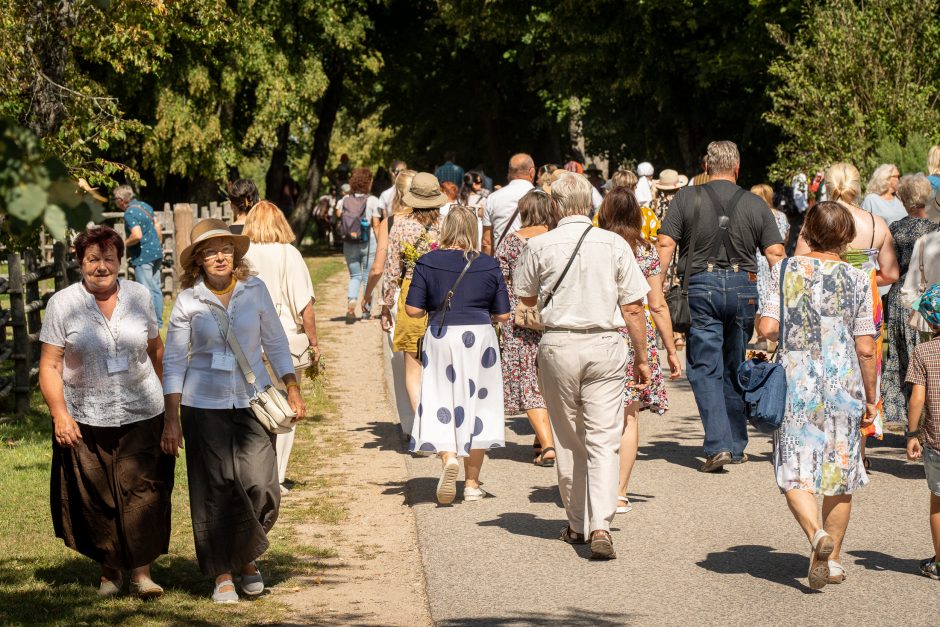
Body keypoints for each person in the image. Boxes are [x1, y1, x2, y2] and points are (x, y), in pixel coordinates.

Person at [162, 218, 305, 603]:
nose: (219, 256)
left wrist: (292, 386)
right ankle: (224, 573)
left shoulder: (255, 290)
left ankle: (244, 555)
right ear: (199, 262)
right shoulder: (189, 300)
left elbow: (275, 343)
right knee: (214, 491)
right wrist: (171, 417)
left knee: (262, 485)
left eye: (224, 248)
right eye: (210, 251)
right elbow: (174, 359)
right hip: (201, 404)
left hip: (252, 400)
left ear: (235, 254)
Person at [514, 172, 651, 560]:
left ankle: (576, 522)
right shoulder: (614, 244)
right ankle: (601, 523)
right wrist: (642, 358)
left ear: (555, 206)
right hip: (606, 343)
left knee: (568, 437)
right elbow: (634, 308)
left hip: (558, 342)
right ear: (590, 205)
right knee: (604, 438)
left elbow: (524, 297)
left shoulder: (540, 245)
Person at [39, 226, 172, 599]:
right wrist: (60, 414)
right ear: (80, 263)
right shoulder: (62, 304)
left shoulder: (139, 296)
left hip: (143, 409)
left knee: (144, 492)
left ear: (120, 261)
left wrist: (172, 410)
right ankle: (110, 572)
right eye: (93, 259)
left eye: (109, 259)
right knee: (98, 498)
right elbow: (49, 366)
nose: (101, 267)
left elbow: (156, 350)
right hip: (86, 415)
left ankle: (142, 574)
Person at [759, 201, 878, 590]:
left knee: (795, 470)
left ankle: (815, 537)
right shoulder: (859, 278)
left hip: (798, 383)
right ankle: (837, 560)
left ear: (807, 230)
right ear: (846, 237)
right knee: (840, 474)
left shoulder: (785, 270)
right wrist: (872, 397)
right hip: (844, 385)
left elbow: (769, 327)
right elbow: (865, 347)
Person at [656, 140, 786, 472]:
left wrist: (655, 283)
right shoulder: (755, 204)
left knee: (703, 367)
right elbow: (775, 255)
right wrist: (782, 302)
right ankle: (736, 444)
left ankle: (718, 444)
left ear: (706, 166)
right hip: (745, 288)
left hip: (701, 286)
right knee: (734, 365)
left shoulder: (686, 197)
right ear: (737, 168)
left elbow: (666, 243)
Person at [405, 206, 510, 503]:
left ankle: (448, 456)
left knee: (440, 398)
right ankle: (472, 483)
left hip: (442, 336)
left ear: (445, 228)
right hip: (479, 339)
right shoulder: (489, 264)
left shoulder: (427, 262)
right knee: (480, 404)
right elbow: (503, 314)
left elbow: (413, 310)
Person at [795, 163, 899, 457]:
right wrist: (865, 278)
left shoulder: (815, 223)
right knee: (866, 368)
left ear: (827, 185)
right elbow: (890, 273)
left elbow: (800, 264)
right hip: (866, 301)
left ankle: (819, 438)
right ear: (858, 184)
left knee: (824, 366)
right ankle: (859, 449)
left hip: (822, 302)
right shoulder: (876, 223)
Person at [597, 188, 682, 514]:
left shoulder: (594, 247)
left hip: (600, 329)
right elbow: (656, 305)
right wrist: (671, 347)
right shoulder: (644, 252)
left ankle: (596, 485)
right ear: (635, 215)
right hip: (635, 336)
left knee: (596, 415)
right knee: (628, 417)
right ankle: (619, 492)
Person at [242, 201, 321, 494]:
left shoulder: (242, 254)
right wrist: (314, 343)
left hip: (249, 340)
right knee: (288, 405)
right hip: (284, 340)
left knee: (256, 404)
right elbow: (305, 306)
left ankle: (255, 469)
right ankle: (276, 473)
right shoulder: (289, 254)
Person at [495, 189, 557, 466]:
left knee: (527, 382)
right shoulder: (557, 240)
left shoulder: (510, 243)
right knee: (550, 381)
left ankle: (547, 444)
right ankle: (541, 438)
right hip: (555, 318)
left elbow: (499, 283)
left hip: (519, 320)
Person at [381, 173, 447, 412]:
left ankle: (422, 425)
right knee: (442, 363)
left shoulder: (401, 226)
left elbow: (391, 269)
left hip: (412, 293)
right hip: (445, 293)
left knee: (413, 363)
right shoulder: (447, 225)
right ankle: (443, 421)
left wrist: (385, 306)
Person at [882, 175, 939, 424]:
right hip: (928, 301)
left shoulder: (894, 229)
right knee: (929, 362)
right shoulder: (934, 230)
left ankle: (908, 419)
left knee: (903, 358)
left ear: (904, 200)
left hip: (899, 299)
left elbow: (890, 267)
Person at [904, 283, 940, 580]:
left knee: (938, 501)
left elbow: (917, 397)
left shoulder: (924, 351)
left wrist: (912, 434)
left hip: (936, 440)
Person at [364, 169, 417, 319]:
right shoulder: (437, 221)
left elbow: (377, 269)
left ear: (398, 193)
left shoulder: (390, 223)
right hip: (433, 295)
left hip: (403, 295)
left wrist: (367, 294)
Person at [113, 185, 164, 326]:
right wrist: (158, 245)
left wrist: (123, 243)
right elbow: (157, 227)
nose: (114, 202)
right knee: (156, 289)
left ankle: (150, 325)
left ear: (121, 200)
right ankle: (158, 323)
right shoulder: (145, 206)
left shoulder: (129, 213)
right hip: (156, 253)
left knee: (145, 291)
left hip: (143, 257)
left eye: (115, 199)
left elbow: (137, 235)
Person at [337, 167, 381, 323]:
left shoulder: (344, 200)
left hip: (349, 241)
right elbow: (376, 224)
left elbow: (338, 214)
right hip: (368, 241)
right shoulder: (373, 200)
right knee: (367, 278)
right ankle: (366, 312)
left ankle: (351, 302)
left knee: (354, 276)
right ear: (368, 182)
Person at [751, 183, 791, 348]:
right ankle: (773, 336)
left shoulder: (753, 216)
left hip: (758, 259)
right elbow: (785, 238)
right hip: (776, 258)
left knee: (758, 298)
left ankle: (761, 335)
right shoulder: (781, 216)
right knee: (775, 295)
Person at [482, 153, 536, 255]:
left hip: (501, 262)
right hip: (530, 261)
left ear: (509, 173)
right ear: (532, 172)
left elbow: (487, 242)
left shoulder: (493, 198)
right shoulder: (542, 197)